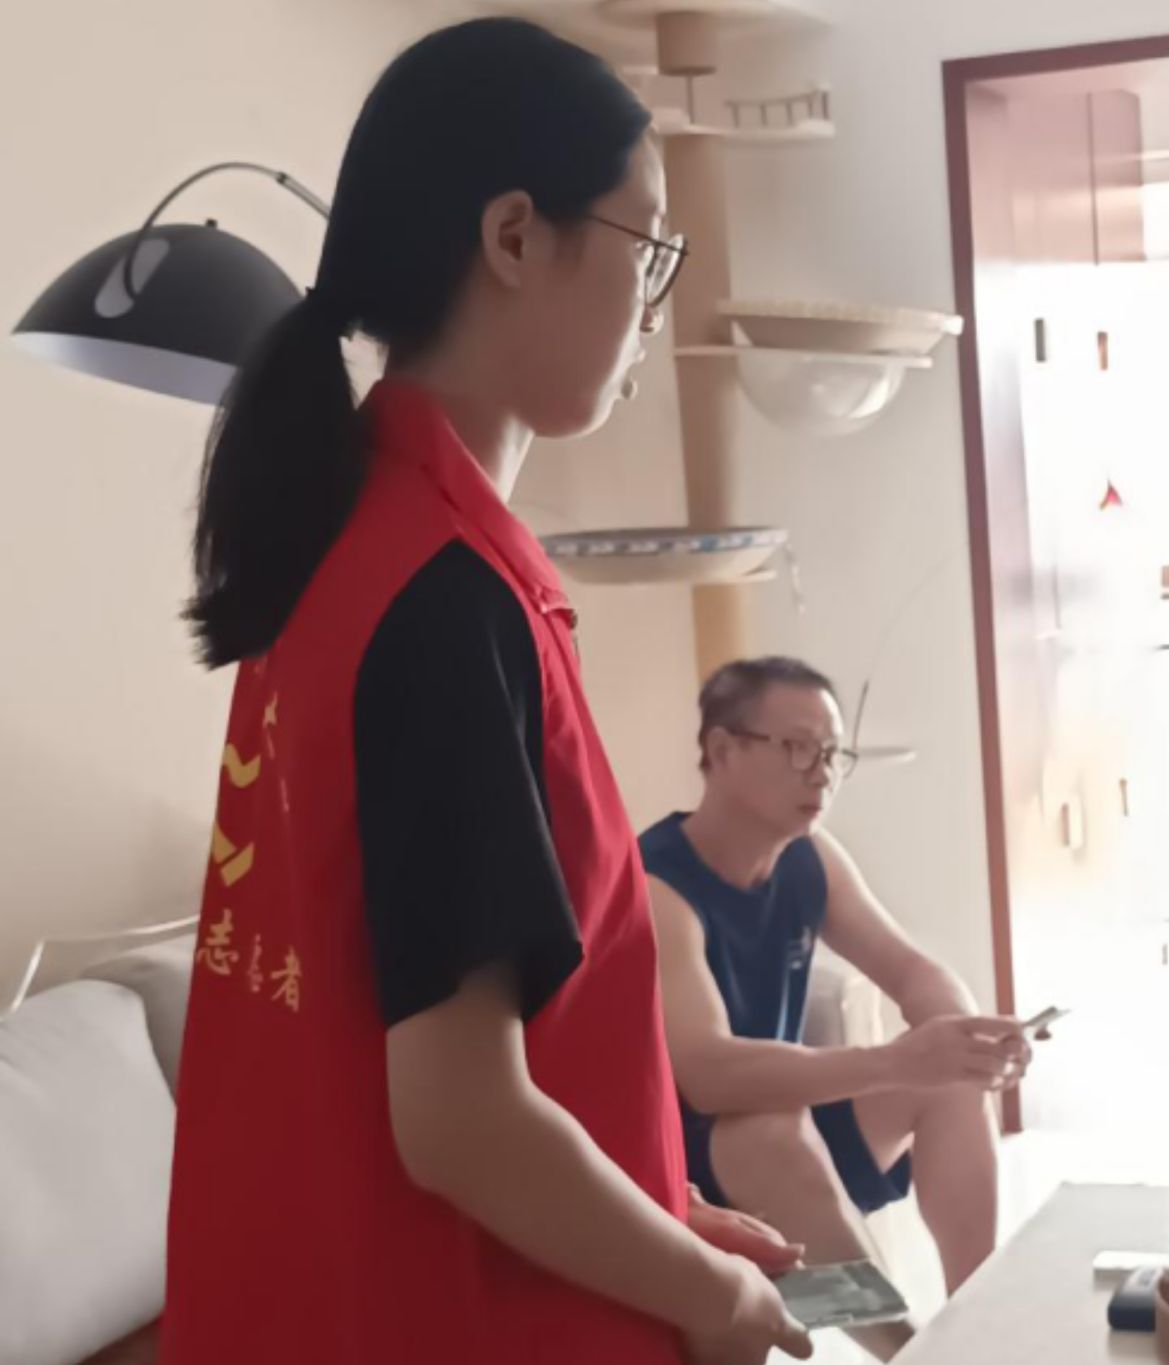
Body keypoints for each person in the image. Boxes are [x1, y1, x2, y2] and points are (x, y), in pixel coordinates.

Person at [163, 20, 810, 1365]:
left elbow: (427, 1040)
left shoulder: (351, 542)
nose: (653, 305)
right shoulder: (442, 599)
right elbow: (460, 1122)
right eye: (647, 246)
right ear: (515, 237)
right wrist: (712, 1297)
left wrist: (658, 1212)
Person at [642, 657, 1032, 1360]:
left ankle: (974, 1330)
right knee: (771, 1132)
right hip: (691, 1162)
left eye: (831, 753)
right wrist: (894, 1061)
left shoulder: (808, 857)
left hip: (789, 1133)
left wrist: (964, 1038)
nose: (820, 773)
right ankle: (908, 1352)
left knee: (948, 1079)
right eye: (798, 748)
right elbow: (707, 1075)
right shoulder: (657, 884)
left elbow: (912, 968)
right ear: (722, 750)